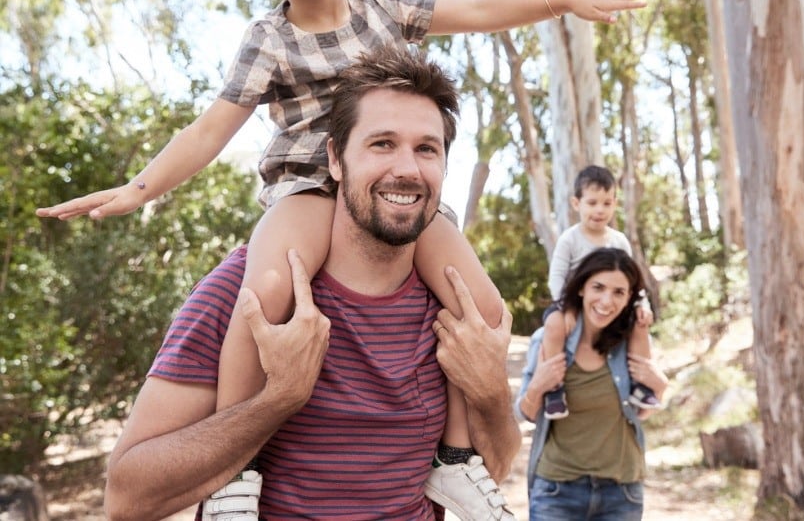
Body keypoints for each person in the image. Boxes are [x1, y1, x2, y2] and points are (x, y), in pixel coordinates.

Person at [36, 0, 650, 517]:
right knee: (265, 292)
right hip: (306, 186)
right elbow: (213, 127)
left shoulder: (382, 8)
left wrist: (566, 0)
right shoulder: (267, 40)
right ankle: (236, 476)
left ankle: (454, 462)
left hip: (397, 197)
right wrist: (139, 189)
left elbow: (476, 9)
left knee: (487, 313)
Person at [103, 45, 521, 520]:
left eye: (426, 148)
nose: (407, 168)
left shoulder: (453, 309)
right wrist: (276, 401)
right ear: (336, 160)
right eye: (382, 143)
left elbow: (499, 466)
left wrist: (491, 392)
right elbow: (126, 499)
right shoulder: (244, 292)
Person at [516, 248, 669, 520]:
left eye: (619, 292)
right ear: (582, 288)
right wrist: (538, 386)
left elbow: (640, 412)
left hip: (621, 493)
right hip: (556, 491)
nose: (606, 301)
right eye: (598, 287)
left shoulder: (631, 343)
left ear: (629, 299)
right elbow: (525, 413)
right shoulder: (548, 340)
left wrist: (660, 386)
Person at [541, 165, 661, 420]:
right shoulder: (570, 239)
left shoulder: (618, 241)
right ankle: (554, 390)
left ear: (615, 204)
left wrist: (642, 303)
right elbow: (556, 279)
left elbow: (632, 280)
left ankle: (641, 384)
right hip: (572, 301)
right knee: (553, 324)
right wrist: (567, 308)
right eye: (592, 202)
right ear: (576, 203)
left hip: (610, 303)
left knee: (640, 324)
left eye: (607, 203)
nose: (599, 210)